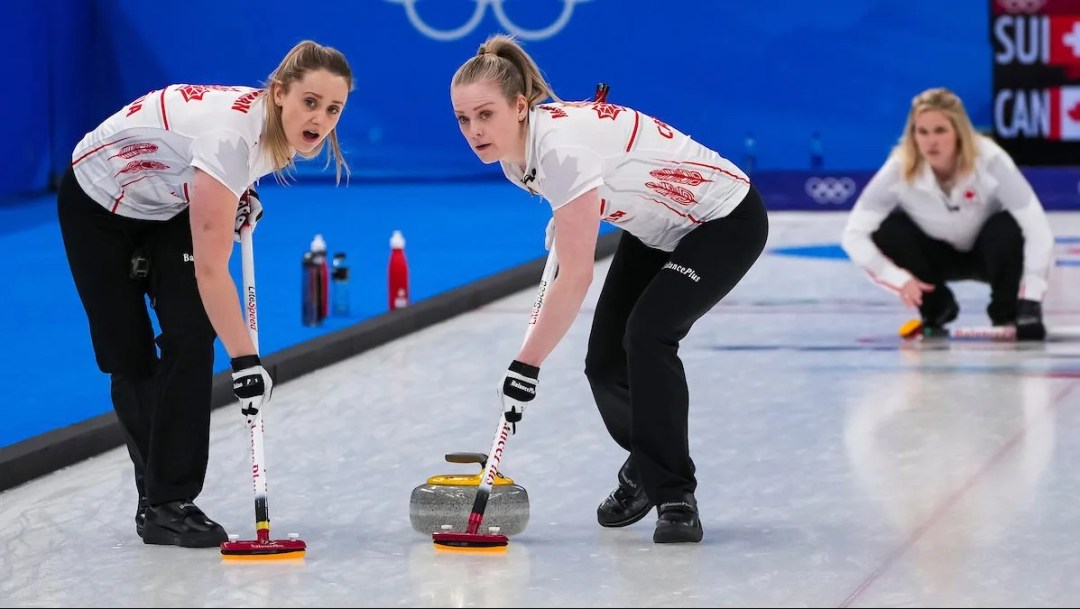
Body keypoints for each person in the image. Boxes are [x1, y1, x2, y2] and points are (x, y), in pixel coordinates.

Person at [450, 34, 769, 544]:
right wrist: (568, 214)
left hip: (722, 219)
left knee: (648, 335)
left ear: (520, 105)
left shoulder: (559, 148)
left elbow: (577, 275)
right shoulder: (516, 157)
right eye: (463, 119)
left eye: (485, 115)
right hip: (657, 227)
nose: (474, 131)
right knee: (603, 362)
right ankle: (649, 459)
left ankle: (674, 495)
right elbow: (595, 189)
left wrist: (526, 364)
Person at [58, 40, 353, 547]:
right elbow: (213, 271)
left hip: (168, 203)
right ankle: (154, 498)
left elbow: (211, 180)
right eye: (310, 102)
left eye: (333, 109)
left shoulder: (266, 129)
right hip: (97, 204)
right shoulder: (230, 139)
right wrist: (246, 363)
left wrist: (242, 194)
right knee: (127, 355)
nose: (320, 119)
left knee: (192, 335)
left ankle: (170, 503)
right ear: (279, 93)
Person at [841, 87, 1054, 340]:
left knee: (1008, 227)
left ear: (959, 132)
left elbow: (1038, 229)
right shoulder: (898, 169)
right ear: (913, 135)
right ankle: (936, 306)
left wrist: (1031, 299)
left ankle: (1007, 311)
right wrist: (897, 280)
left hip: (991, 255)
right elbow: (853, 235)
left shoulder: (991, 160)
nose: (931, 141)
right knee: (888, 230)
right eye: (923, 132)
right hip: (935, 258)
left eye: (940, 130)